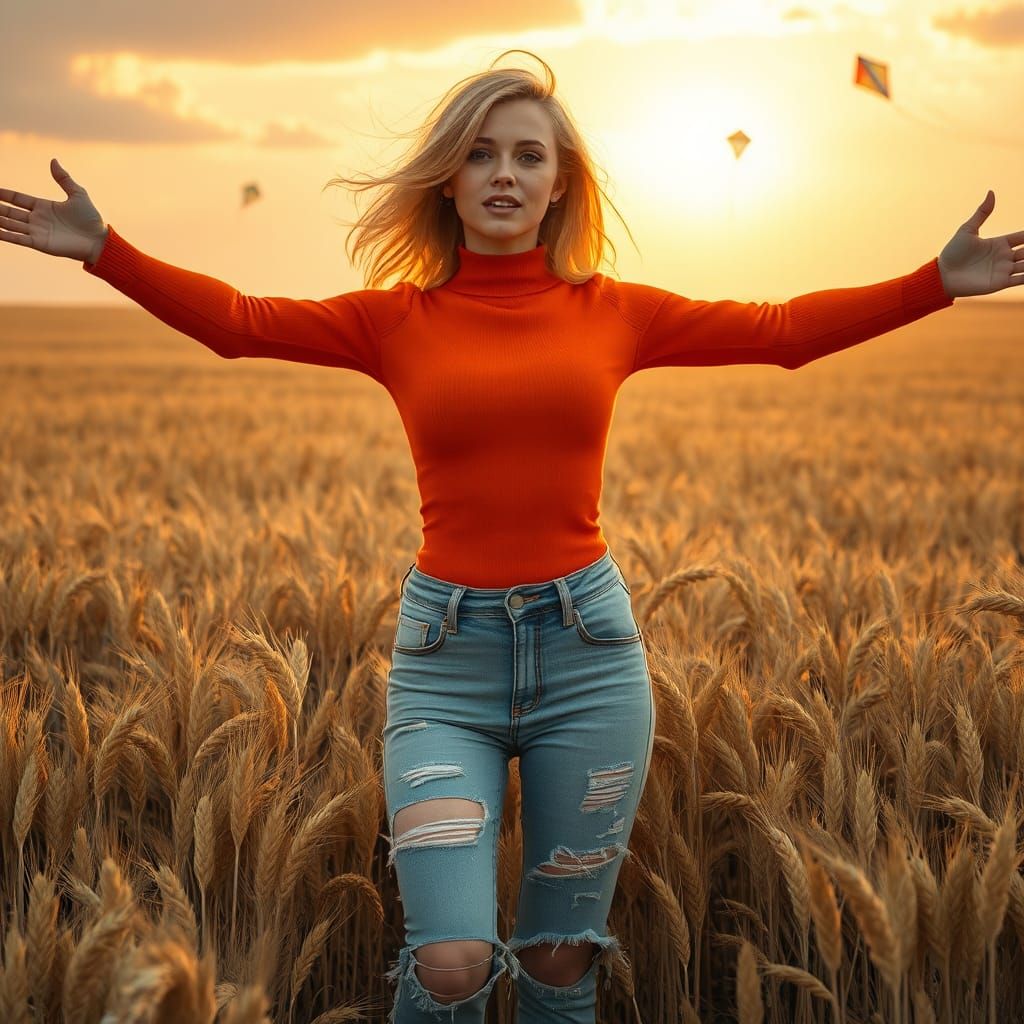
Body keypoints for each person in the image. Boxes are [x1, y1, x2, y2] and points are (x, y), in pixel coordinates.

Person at [1, 48, 1021, 1024]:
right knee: (448, 963)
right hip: (446, 666)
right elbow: (240, 319)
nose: (503, 173)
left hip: (590, 657)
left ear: (559, 184)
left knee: (557, 957)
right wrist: (107, 252)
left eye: (528, 154)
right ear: (446, 180)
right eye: (481, 154)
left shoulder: (611, 311)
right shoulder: (394, 321)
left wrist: (935, 281)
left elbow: (782, 334)